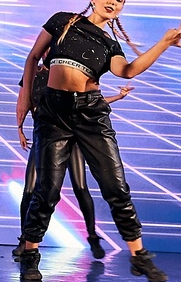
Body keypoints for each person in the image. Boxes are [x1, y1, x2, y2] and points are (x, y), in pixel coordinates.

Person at [15, 0, 181, 282]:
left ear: (122, 8)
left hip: (91, 113)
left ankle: (138, 256)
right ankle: (30, 254)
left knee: (116, 186)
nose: (112, 1)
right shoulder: (63, 21)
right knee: (47, 190)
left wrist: (163, 43)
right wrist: (25, 99)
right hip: (53, 112)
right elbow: (33, 58)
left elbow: (128, 70)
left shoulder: (110, 44)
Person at [16, 62, 131, 260]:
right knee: (30, 190)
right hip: (45, 136)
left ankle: (92, 236)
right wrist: (20, 128)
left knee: (80, 187)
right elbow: (23, 101)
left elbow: (89, 101)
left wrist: (118, 96)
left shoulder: (66, 71)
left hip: (72, 135)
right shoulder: (32, 74)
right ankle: (24, 240)